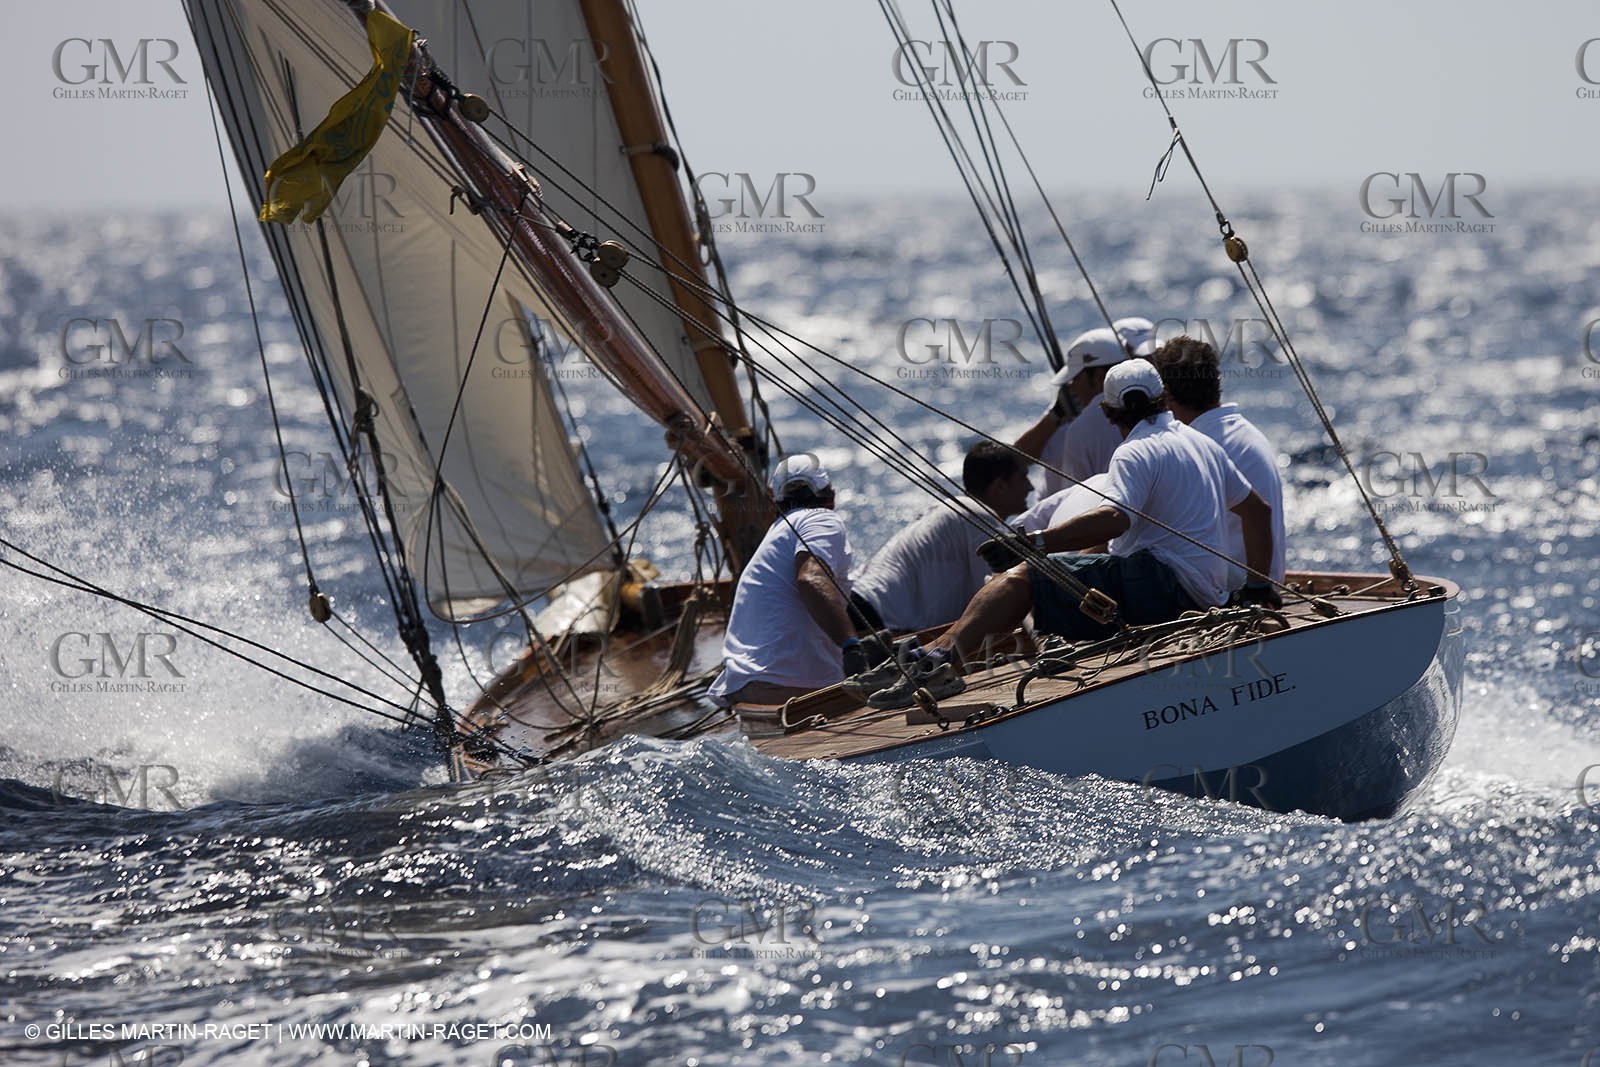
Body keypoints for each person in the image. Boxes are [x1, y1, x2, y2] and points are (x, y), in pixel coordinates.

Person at [859, 359, 1278, 708]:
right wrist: (1259, 589)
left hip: (1163, 588)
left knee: (1022, 577)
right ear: (1163, 399)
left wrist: (1034, 545)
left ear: (1109, 413)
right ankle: (943, 654)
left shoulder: (1134, 451)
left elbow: (1115, 518)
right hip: (1206, 595)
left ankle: (936, 662)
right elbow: (1258, 512)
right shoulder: (1203, 444)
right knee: (1070, 569)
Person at [708, 454, 862, 707]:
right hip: (788, 686)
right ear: (831, 497)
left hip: (745, 685)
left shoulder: (777, 533)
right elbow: (810, 580)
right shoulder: (820, 518)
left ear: (775, 503)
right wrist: (851, 646)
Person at [1149, 335, 1286, 596]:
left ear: (1165, 396)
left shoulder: (1195, 447)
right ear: (1216, 381)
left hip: (1236, 589)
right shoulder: (1247, 432)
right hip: (1264, 580)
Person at [850, 441, 1033, 634]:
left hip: (857, 606)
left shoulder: (952, 511)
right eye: (1023, 477)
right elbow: (1008, 592)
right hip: (871, 618)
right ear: (1000, 486)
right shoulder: (978, 516)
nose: (1030, 487)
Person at [1014, 317, 1154, 497]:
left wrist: (1057, 417)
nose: (1071, 387)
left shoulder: (1080, 428)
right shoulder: (1154, 410)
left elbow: (1072, 500)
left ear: (1098, 377)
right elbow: (1018, 458)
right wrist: (1055, 416)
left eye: (1075, 378)